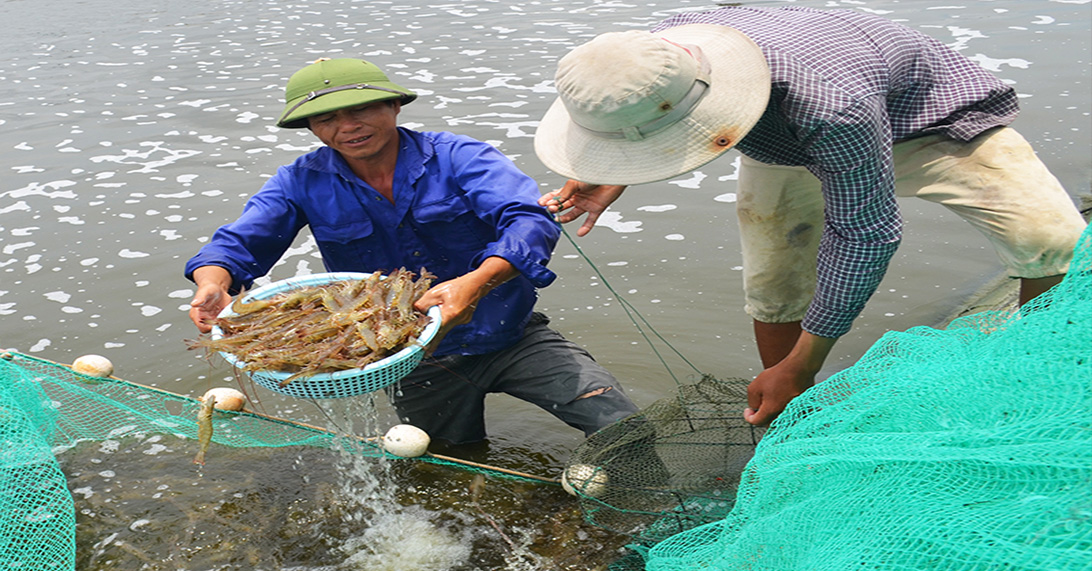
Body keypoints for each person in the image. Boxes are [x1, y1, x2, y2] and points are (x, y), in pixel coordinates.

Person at [533, 6, 1087, 428]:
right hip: (781, 136)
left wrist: (806, 354)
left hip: (926, 120)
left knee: (1053, 239)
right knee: (774, 279)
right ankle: (787, 414)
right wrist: (615, 168)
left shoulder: (830, 104)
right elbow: (653, 114)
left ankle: (1030, 378)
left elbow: (867, 234)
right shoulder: (653, 54)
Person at [185, 57, 639, 446]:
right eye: (326, 119)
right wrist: (213, 281)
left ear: (394, 105)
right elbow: (240, 241)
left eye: (361, 108)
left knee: (621, 425)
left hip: (509, 335)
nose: (347, 126)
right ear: (310, 127)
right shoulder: (298, 181)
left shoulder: (460, 156)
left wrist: (474, 283)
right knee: (444, 464)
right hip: (411, 357)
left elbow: (528, 220)